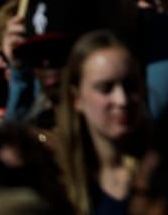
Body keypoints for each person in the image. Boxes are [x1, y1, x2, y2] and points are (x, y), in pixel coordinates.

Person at [55, 30, 149, 214]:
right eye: (105, 88)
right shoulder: (58, 184)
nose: (122, 100)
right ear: (76, 98)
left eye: (130, 86)